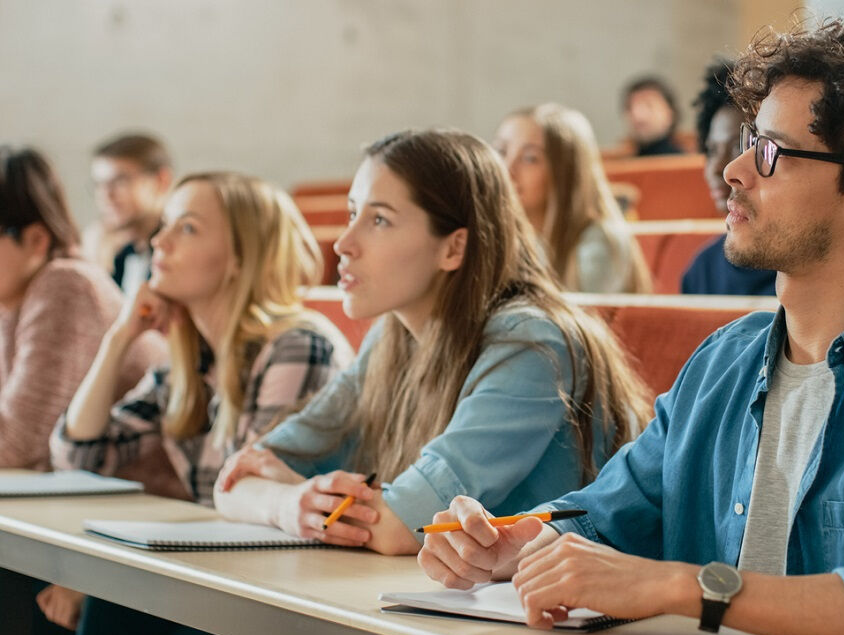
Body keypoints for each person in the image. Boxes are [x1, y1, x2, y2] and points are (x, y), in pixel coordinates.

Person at [418, 18, 844, 635]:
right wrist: (517, 542)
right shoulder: (722, 362)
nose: (732, 169)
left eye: (770, 153)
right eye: (747, 140)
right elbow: (607, 512)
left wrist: (688, 588)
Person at [214, 129, 652, 557]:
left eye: (379, 220)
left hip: (560, 617)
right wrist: (289, 503)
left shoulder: (532, 345)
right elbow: (235, 479)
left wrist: (296, 497)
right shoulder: (392, 336)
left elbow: (402, 528)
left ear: (453, 248)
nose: (344, 244)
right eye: (352, 214)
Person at [50, 171, 354, 635]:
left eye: (186, 229)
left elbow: (244, 490)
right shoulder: (191, 362)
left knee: (111, 605)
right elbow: (77, 453)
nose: (158, 241)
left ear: (239, 256)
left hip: (291, 595)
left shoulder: (299, 346)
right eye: (165, 224)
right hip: (221, 579)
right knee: (109, 603)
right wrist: (120, 338)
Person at [0, 146, 167, 635]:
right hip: (81, 522)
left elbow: (17, 443)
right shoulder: (14, 295)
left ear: (35, 239)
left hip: (147, 526)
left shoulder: (63, 286)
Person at [493, 103, 653, 293]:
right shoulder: (507, 238)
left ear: (566, 173)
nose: (506, 169)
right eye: (501, 151)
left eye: (530, 158)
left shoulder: (600, 245)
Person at [681, 60, 777, 295]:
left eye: (738, 147)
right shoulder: (701, 269)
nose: (718, 168)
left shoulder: (799, 269)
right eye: (712, 150)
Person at [87, 133, 173, 297]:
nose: (106, 196)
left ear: (162, 181)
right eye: (99, 184)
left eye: (120, 181)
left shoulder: (179, 255)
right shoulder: (121, 253)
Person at [622, 77, 684, 156]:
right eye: (630, 107)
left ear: (670, 113)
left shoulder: (687, 163)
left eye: (649, 105)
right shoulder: (624, 164)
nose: (638, 115)